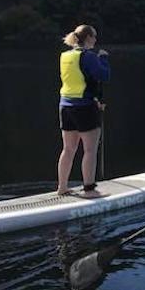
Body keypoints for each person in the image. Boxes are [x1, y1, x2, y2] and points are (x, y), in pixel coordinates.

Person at [57, 24, 110, 198]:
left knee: (68, 149)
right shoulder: (89, 56)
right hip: (84, 107)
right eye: (94, 37)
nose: (95, 40)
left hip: (65, 106)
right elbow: (104, 76)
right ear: (87, 38)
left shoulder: (65, 56)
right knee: (89, 150)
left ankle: (62, 187)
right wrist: (103, 59)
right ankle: (89, 189)